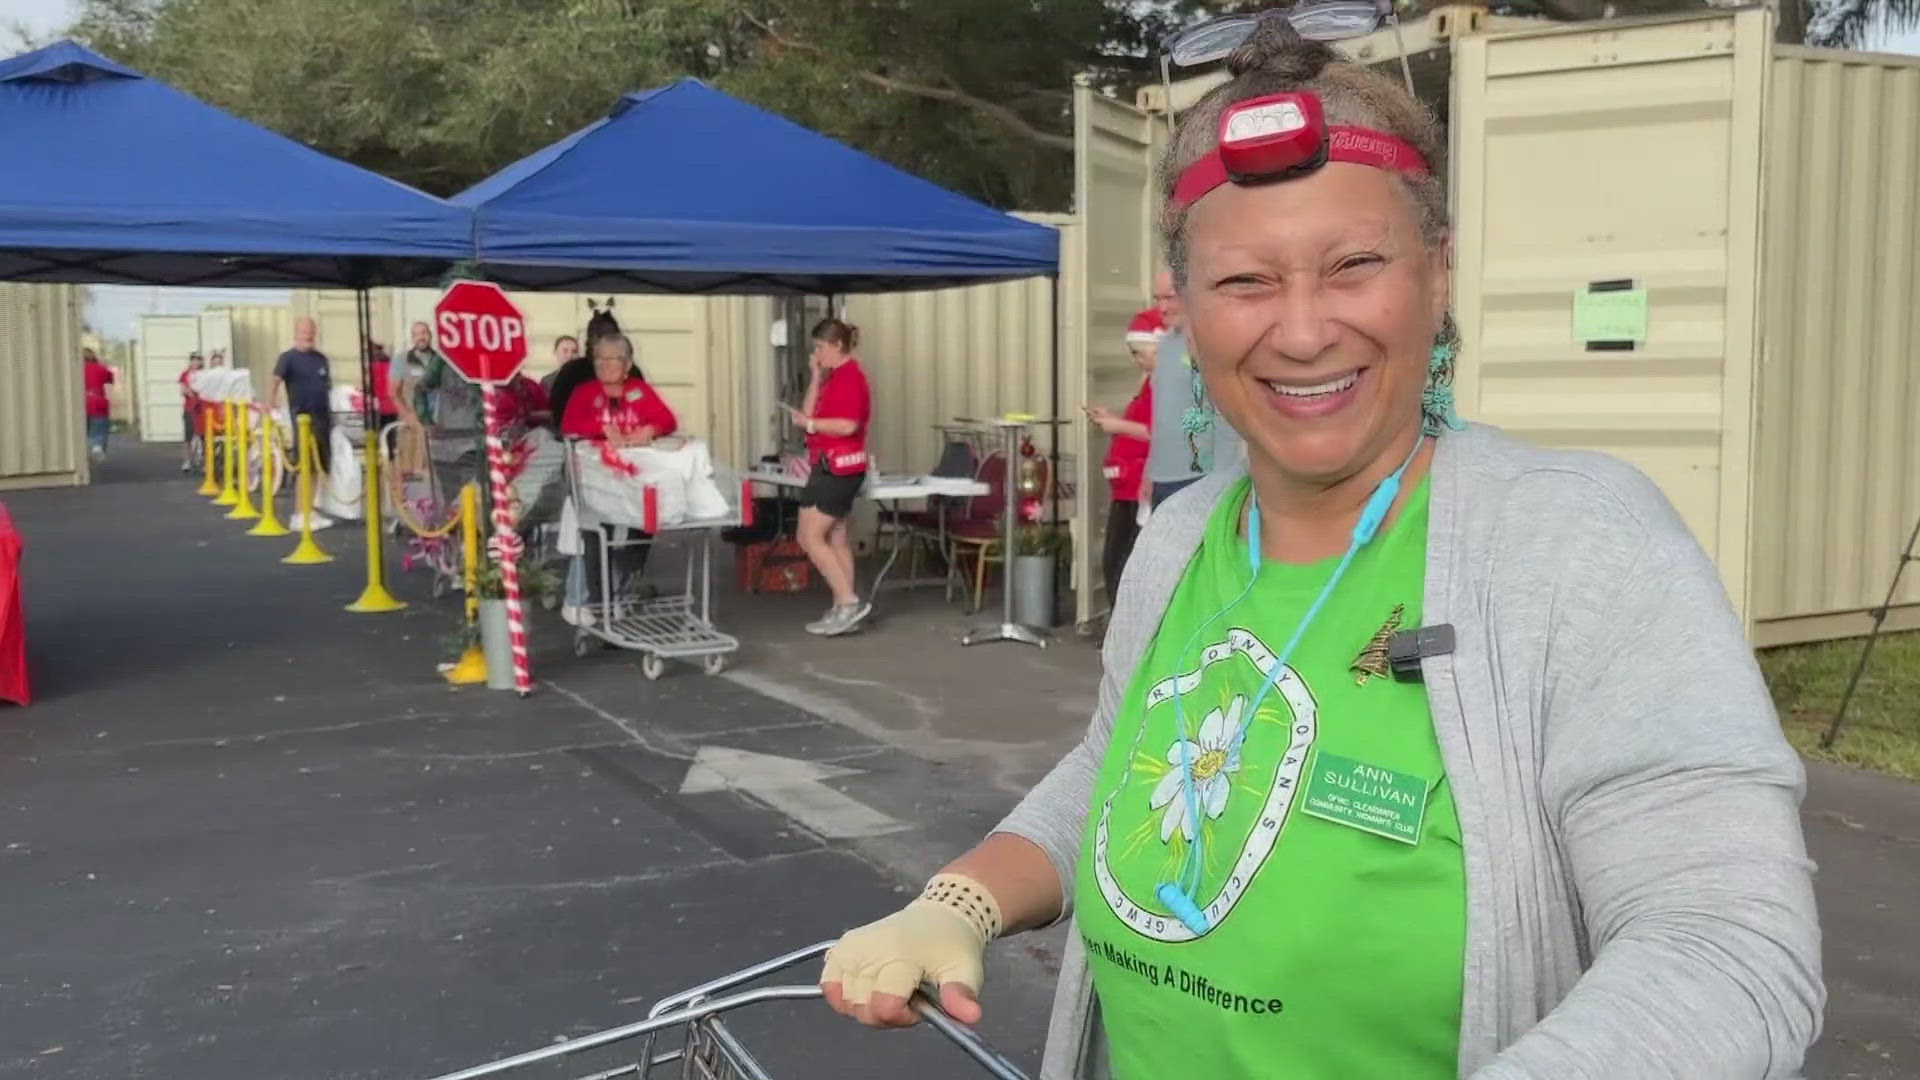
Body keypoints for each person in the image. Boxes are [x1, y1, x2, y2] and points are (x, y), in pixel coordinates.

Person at [818, 15, 1822, 1080]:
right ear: (1187, 315)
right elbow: (1120, 770)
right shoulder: (1183, 537)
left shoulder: (1576, 545)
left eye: (1353, 266)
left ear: (1435, 276)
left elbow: (1728, 949)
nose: (1301, 331)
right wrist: (962, 899)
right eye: (1246, 282)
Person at [559, 333, 676, 625]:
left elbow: (667, 420)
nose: (606, 364)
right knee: (597, 536)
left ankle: (619, 594)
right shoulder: (585, 392)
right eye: (600, 358)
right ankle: (596, 603)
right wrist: (601, 427)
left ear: (627, 364)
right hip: (593, 480)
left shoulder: (639, 390)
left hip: (632, 481)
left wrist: (648, 431)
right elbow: (568, 425)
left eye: (613, 358)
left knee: (639, 530)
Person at [787, 318, 873, 637]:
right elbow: (808, 416)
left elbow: (848, 425)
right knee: (836, 536)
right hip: (829, 464)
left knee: (809, 536)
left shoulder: (851, 378)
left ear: (838, 346)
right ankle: (843, 608)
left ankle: (848, 602)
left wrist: (812, 427)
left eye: (820, 347)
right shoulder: (832, 378)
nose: (817, 353)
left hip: (838, 467)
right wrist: (814, 376)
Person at [1144, 270, 1244, 510]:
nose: (1162, 307)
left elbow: (1228, 414)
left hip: (1201, 477)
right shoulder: (1166, 344)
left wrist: (1223, 482)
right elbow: (1162, 417)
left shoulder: (1211, 342)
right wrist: (1149, 472)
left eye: (1169, 297)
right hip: (1163, 476)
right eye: (1157, 299)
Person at [1086, 333, 1153, 608]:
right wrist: (1114, 420)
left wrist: (1118, 426)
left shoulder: (1168, 386)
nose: (1135, 359)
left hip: (1140, 486)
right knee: (1115, 561)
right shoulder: (1149, 382)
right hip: (1126, 487)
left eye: (1138, 352)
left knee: (1124, 563)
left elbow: (1161, 433)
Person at [82, 348, 115, 461]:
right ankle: (97, 448)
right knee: (99, 430)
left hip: (80, 403)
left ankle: (83, 451)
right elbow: (110, 379)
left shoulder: (74, 369)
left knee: (81, 430)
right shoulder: (101, 368)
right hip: (98, 401)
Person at [179, 351, 206, 471]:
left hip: (203, 409)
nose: (195, 362)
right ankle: (187, 461)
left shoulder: (205, 374)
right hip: (190, 408)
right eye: (193, 359)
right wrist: (191, 392)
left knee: (204, 437)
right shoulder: (185, 374)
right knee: (188, 437)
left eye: (198, 359)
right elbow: (183, 389)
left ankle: (206, 462)